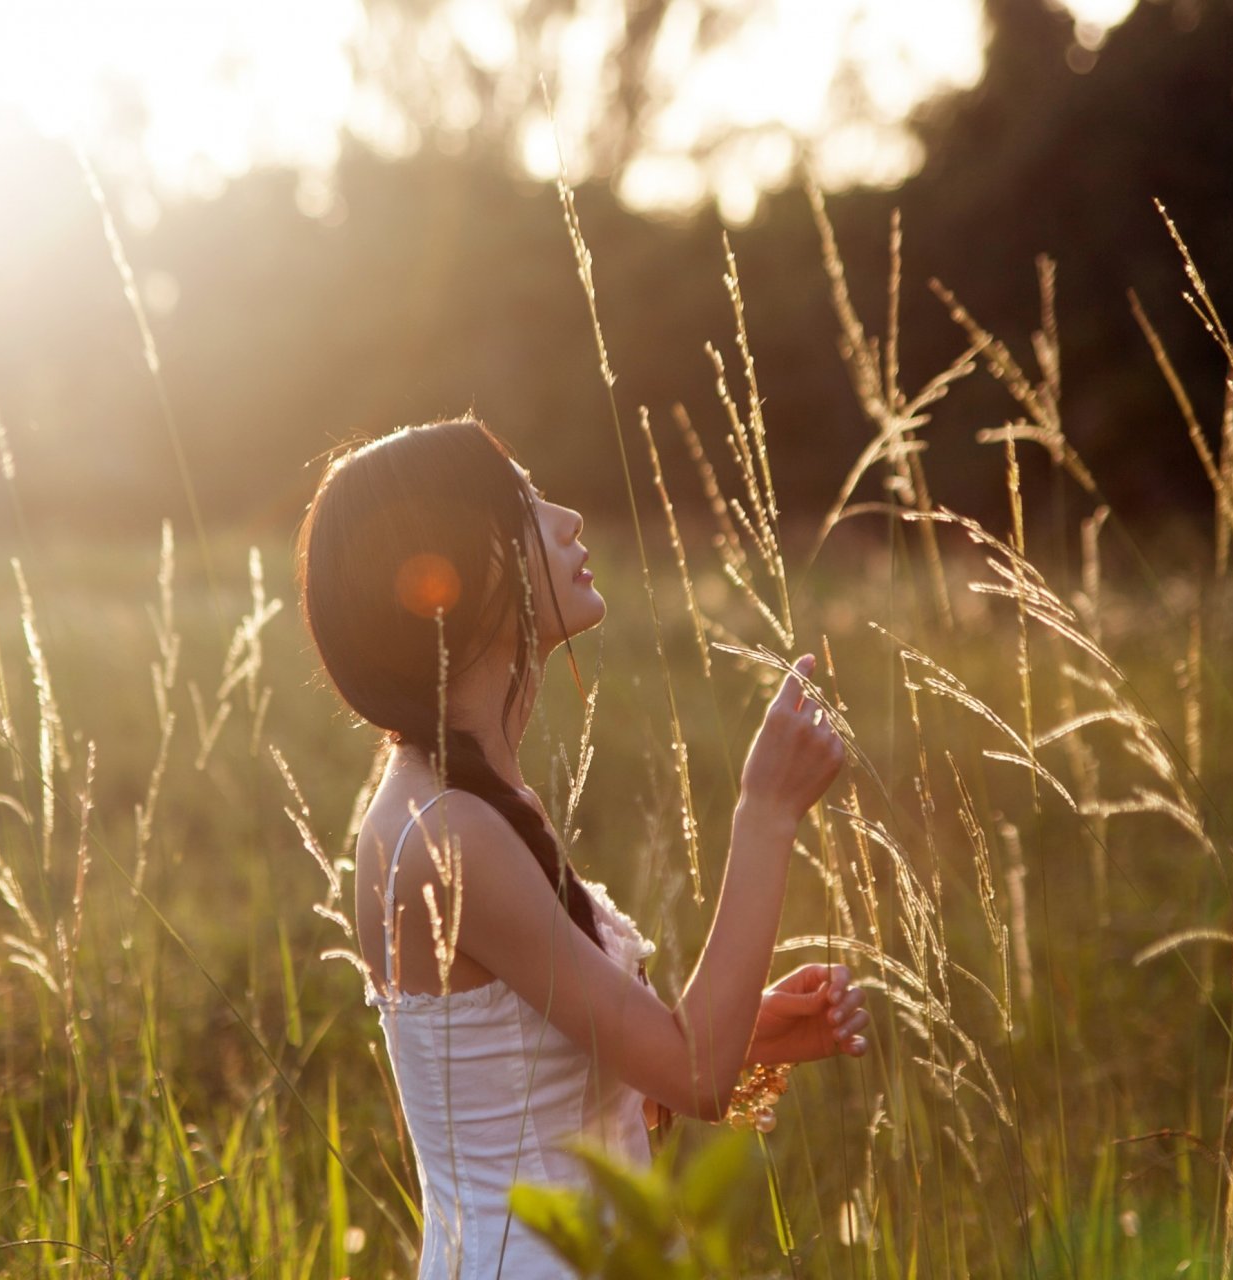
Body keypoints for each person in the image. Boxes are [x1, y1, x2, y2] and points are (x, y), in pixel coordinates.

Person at [296, 417, 870, 1278]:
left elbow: (544, 1094)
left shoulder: (456, 801)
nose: (565, 518)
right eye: (524, 502)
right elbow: (696, 1078)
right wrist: (766, 811)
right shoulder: (448, 829)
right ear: (452, 567)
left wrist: (746, 1032)